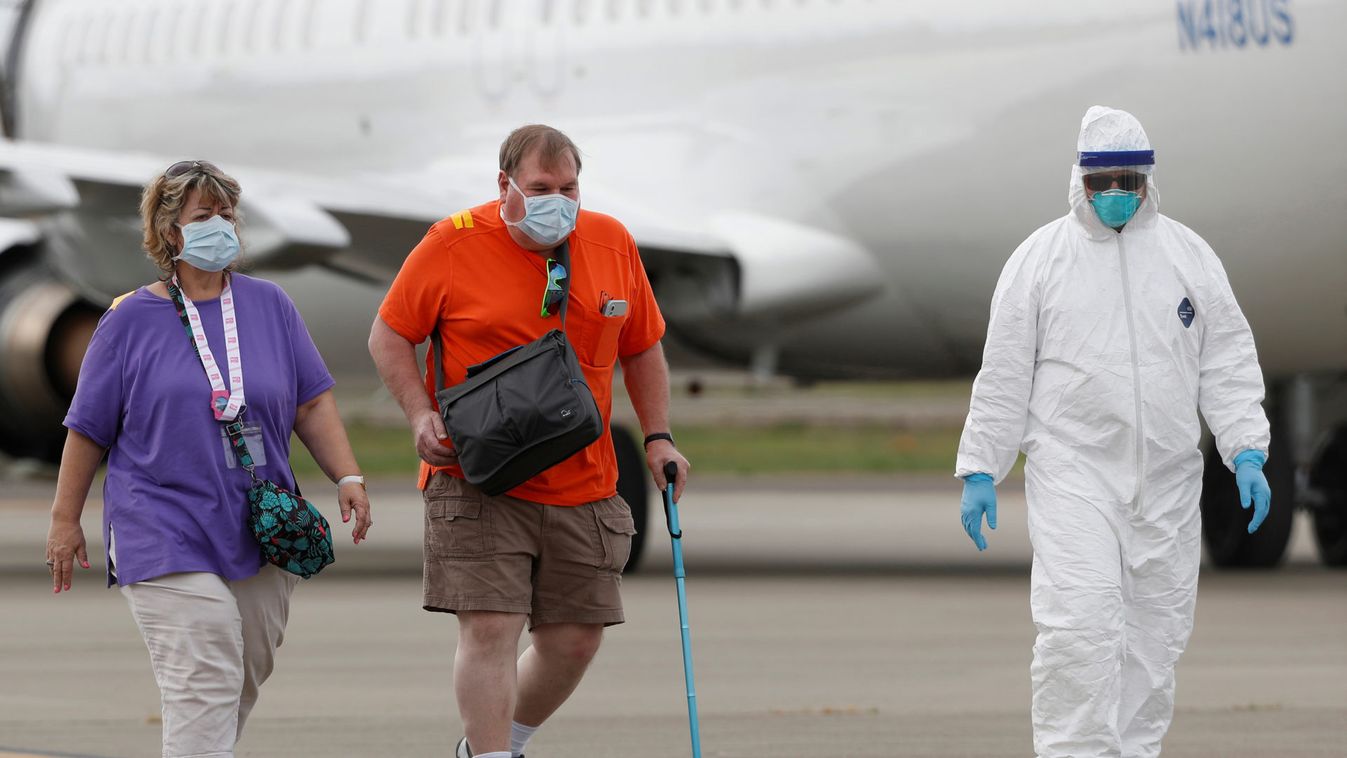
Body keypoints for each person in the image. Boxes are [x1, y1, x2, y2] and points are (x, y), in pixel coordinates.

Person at [954, 106, 1272, 757]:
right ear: (1080, 181)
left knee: (1153, 640)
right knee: (1080, 627)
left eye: (1127, 180)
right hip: (1073, 473)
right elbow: (1004, 372)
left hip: (1168, 480)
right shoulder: (1039, 260)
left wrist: (1244, 449)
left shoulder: (1188, 257)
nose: (1115, 194)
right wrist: (982, 466)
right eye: (1102, 182)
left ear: (1148, 180)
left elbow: (1226, 359)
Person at [369, 124, 690, 758]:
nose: (558, 201)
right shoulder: (450, 243)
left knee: (575, 640)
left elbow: (644, 346)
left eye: (569, 187)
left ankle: (498, 744)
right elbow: (388, 336)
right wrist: (419, 415)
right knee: (490, 627)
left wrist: (658, 437)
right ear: (504, 186)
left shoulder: (612, 240)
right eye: (541, 188)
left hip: (584, 480)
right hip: (477, 474)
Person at [44, 160, 373, 758]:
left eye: (226, 215)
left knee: (239, 676)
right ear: (171, 231)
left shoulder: (270, 305)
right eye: (204, 216)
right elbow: (86, 430)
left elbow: (312, 401)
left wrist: (346, 474)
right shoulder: (127, 321)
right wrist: (65, 521)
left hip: (260, 521)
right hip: (160, 519)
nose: (220, 226)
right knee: (205, 669)